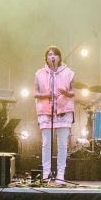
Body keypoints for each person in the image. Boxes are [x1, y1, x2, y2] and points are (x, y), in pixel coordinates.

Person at [33, 48, 77, 185]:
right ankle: (46, 173)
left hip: (63, 109)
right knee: (46, 143)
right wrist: (46, 95)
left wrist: (66, 92)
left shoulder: (69, 73)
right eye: (49, 54)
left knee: (62, 144)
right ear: (46, 58)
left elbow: (73, 91)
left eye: (55, 54)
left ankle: (61, 174)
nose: (52, 56)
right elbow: (35, 93)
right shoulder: (39, 74)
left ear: (59, 57)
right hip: (46, 110)